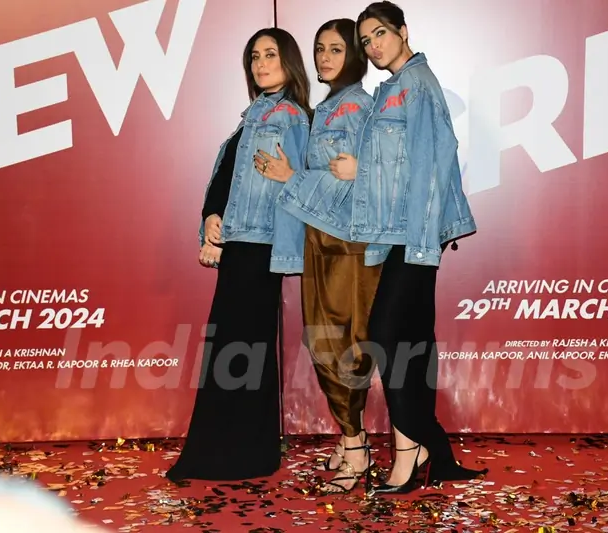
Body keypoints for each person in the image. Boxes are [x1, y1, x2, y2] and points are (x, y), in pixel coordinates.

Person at [325, 1, 490, 495]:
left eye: (380, 34)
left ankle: (414, 445)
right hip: (396, 233)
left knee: (390, 336)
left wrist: (363, 173)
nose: (373, 46)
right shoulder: (393, 88)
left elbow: (430, 166)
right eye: (366, 41)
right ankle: (437, 455)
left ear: (402, 31)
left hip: (412, 235)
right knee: (414, 345)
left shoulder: (416, 85)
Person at [165, 28, 311, 482]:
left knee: (241, 353)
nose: (261, 63)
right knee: (233, 352)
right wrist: (211, 217)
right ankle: (232, 451)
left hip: (258, 248)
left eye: (270, 54)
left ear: (288, 61)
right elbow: (228, 180)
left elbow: (301, 187)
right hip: (240, 247)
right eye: (254, 57)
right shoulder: (253, 115)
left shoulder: (289, 116)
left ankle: (241, 454)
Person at [257, 19, 379, 494]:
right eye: (319, 49)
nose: (325, 57)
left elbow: (346, 189)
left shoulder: (357, 108)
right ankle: (354, 438)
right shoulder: (328, 106)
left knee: (342, 347)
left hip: (347, 245)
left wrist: (291, 177)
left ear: (356, 55)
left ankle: (355, 447)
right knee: (325, 342)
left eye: (336, 49)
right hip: (321, 242)